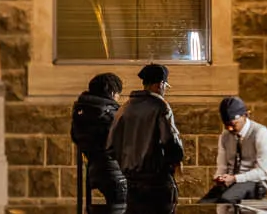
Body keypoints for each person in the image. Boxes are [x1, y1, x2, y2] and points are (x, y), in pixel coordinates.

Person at [109, 63, 184, 206]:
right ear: (160, 84)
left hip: (131, 182)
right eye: (165, 86)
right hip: (157, 181)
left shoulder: (125, 108)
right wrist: (176, 161)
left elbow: (111, 146)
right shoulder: (160, 106)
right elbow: (170, 140)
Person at [202, 95, 267, 203]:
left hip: (255, 182)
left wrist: (235, 178)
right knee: (203, 205)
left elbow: (262, 171)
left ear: (245, 115)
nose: (229, 128)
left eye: (233, 124)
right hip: (231, 182)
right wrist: (219, 176)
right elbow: (222, 165)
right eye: (226, 125)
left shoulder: (261, 133)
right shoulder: (225, 136)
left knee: (225, 200)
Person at [70, 73, 127, 206]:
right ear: (113, 92)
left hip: (94, 170)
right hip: (115, 172)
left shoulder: (82, 111)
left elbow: (75, 136)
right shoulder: (110, 113)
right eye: (118, 94)